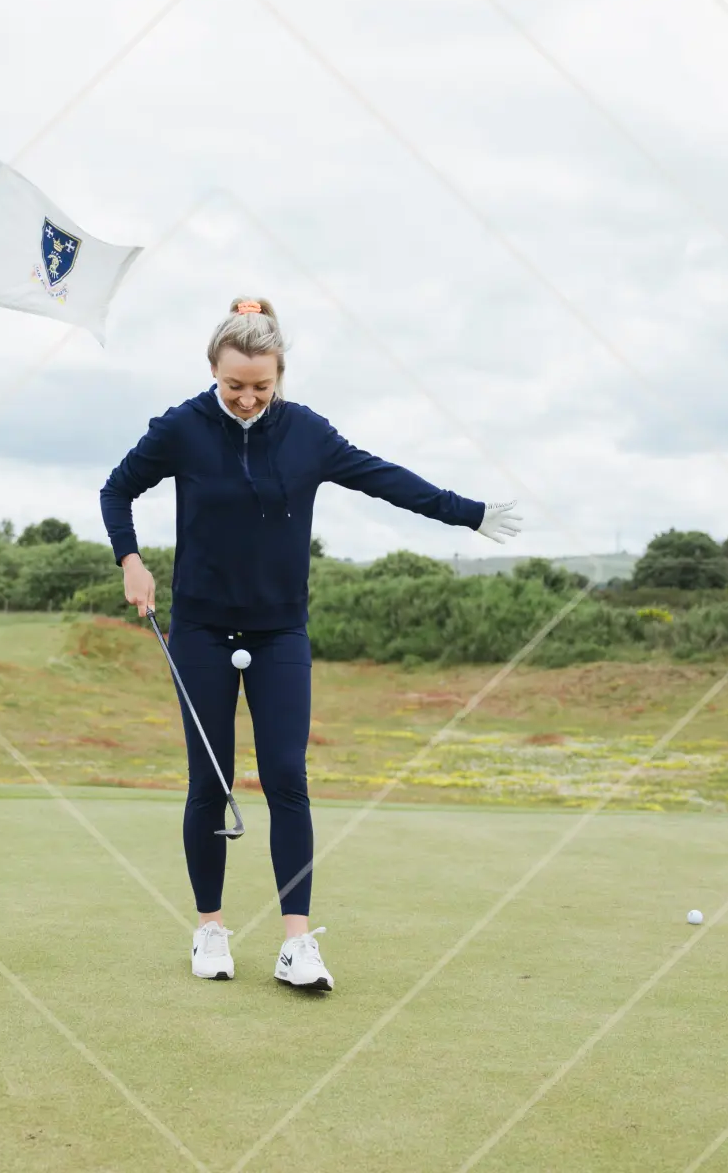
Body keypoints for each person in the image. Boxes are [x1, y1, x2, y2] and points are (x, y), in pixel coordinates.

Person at [99, 297, 521, 991]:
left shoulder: (306, 434)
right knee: (210, 781)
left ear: (279, 376)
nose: (246, 398)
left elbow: (384, 478)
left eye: (261, 386)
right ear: (214, 369)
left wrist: (466, 512)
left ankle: (297, 944)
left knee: (287, 779)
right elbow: (118, 491)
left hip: (279, 631)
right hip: (201, 627)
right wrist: (131, 561)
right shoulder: (182, 428)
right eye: (234, 385)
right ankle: (211, 929)